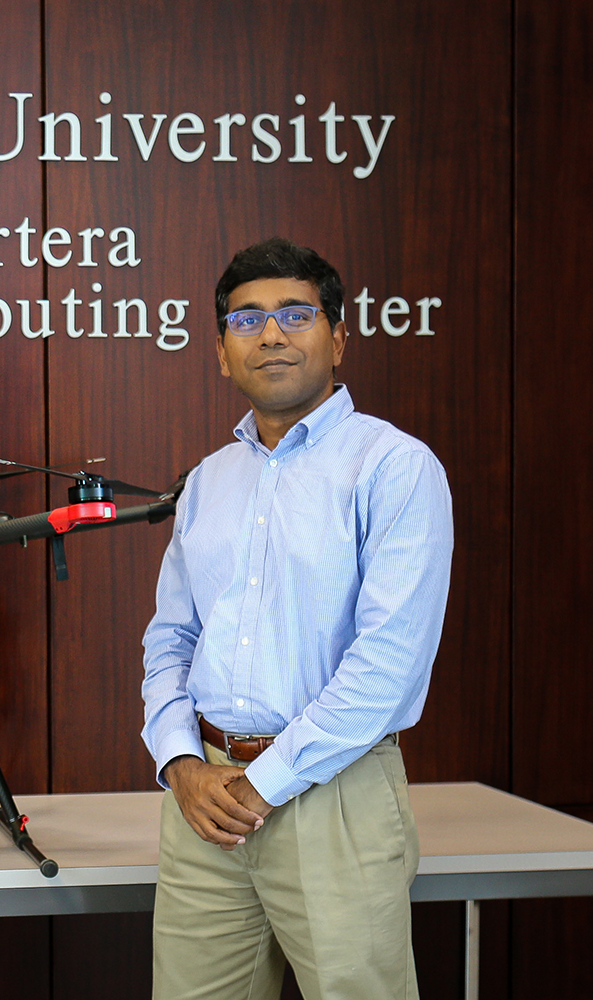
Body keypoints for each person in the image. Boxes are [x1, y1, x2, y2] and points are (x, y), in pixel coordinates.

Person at [140, 237, 453, 999]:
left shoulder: (393, 466)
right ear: (221, 352)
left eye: (295, 314)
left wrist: (266, 783)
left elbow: (388, 666)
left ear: (338, 337)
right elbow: (170, 640)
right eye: (246, 321)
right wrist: (179, 762)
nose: (271, 335)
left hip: (331, 796)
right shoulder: (208, 482)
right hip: (205, 802)